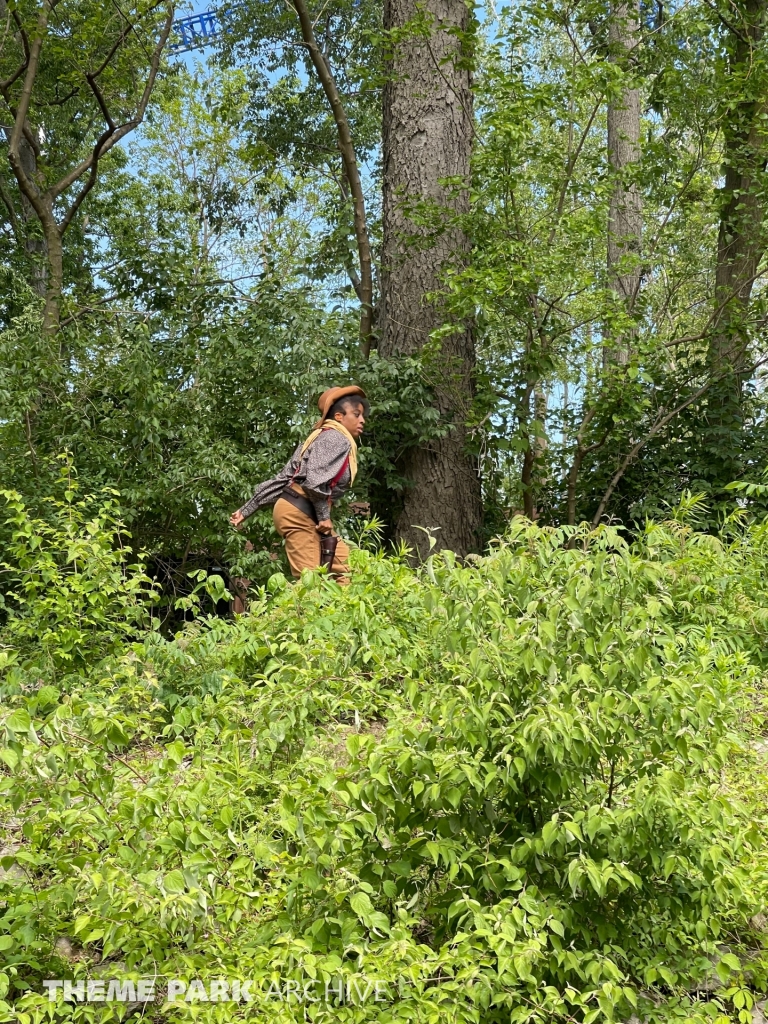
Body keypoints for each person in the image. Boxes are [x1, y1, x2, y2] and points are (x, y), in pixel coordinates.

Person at [229, 386, 368, 583]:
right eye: (356, 414)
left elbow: (286, 477)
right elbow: (314, 482)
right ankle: (293, 613)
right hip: (301, 512)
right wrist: (324, 517)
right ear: (338, 416)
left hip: (298, 508)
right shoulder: (336, 438)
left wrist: (247, 508)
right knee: (309, 583)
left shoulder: (317, 438)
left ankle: (336, 612)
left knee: (349, 572)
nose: (362, 420)